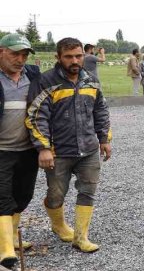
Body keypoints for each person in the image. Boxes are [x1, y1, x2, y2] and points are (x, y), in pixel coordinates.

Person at [25, 37, 112, 254]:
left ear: (83, 55)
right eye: (69, 56)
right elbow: (36, 117)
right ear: (58, 57)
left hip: (89, 149)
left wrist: (104, 139)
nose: (75, 60)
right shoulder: (45, 82)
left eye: (78, 55)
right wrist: (44, 148)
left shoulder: (90, 80)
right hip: (59, 152)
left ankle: (81, 237)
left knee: (88, 191)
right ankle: (58, 225)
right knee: (56, 195)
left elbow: (100, 110)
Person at [0, 34, 43, 267]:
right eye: (15, 54)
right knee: (2, 196)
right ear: (1, 52)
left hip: (28, 149)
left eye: (24, 55)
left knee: (23, 195)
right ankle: (5, 249)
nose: (20, 59)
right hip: (2, 149)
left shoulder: (34, 76)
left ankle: (12, 238)